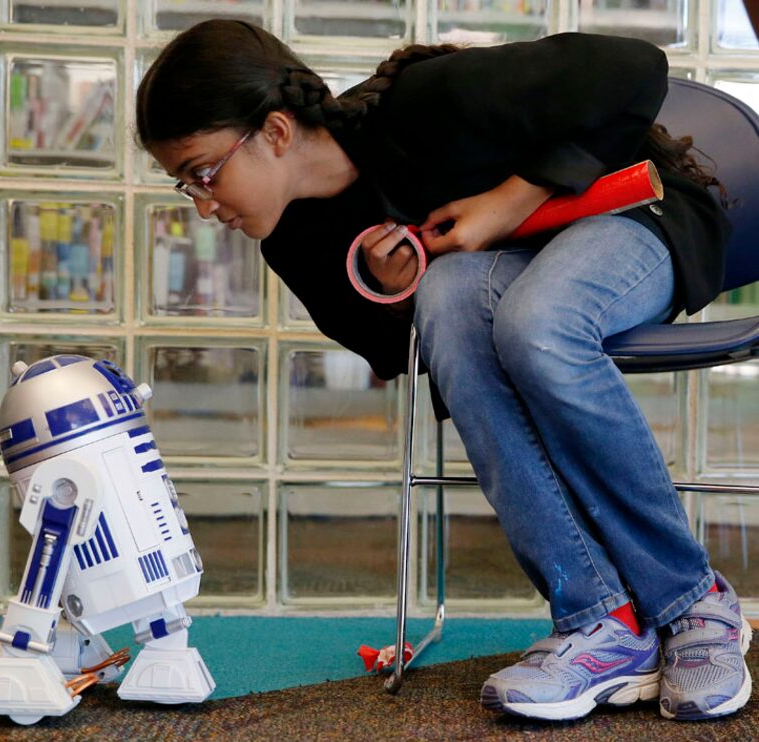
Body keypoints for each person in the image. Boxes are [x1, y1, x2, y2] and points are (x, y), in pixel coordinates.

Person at [135, 20, 751, 722]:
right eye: (186, 187)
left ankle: (692, 600)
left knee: (538, 321)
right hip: (524, 269)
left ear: (275, 132)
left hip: (634, 211)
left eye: (204, 172)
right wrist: (391, 287)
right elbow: (399, 354)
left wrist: (511, 199)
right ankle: (602, 618)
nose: (206, 205)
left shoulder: (423, 101)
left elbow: (633, 68)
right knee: (448, 299)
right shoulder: (293, 238)